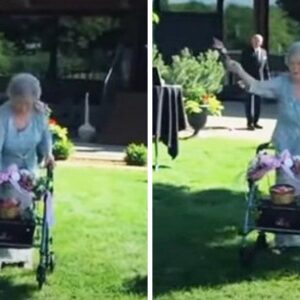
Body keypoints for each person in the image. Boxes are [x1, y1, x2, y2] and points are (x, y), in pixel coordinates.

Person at [226, 41, 300, 248]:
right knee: (285, 194)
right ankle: (286, 239)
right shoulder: (282, 83)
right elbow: (257, 86)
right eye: (292, 63)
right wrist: (239, 70)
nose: (295, 68)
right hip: (286, 147)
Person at [0, 73, 54, 267]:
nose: (23, 107)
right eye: (19, 103)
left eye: (27, 103)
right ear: (11, 98)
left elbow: (45, 136)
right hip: (4, 169)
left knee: (29, 200)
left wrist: (48, 154)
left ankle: (23, 251)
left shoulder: (39, 113)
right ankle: (6, 252)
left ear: (34, 99)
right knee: (10, 200)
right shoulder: (3, 115)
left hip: (30, 168)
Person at [240, 34, 270, 130]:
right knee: (249, 102)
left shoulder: (264, 52)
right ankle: (249, 123)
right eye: (255, 40)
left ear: (261, 42)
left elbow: (265, 68)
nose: (257, 42)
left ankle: (256, 121)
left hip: (259, 81)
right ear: (252, 41)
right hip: (249, 80)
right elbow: (242, 67)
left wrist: (267, 80)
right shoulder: (246, 52)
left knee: (258, 102)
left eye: (259, 41)